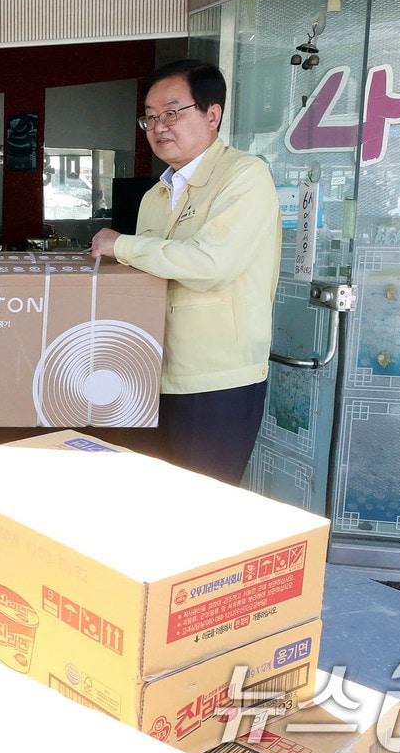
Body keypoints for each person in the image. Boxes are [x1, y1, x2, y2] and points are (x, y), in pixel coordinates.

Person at [90, 59, 281, 485]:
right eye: (151, 117)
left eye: (173, 112)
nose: (160, 126)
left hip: (215, 379)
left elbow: (212, 264)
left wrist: (121, 244)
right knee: (157, 499)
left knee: (205, 505)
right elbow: (147, 278)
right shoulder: (156, 195)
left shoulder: (245, 176)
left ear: (212, 114)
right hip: (152, 374)